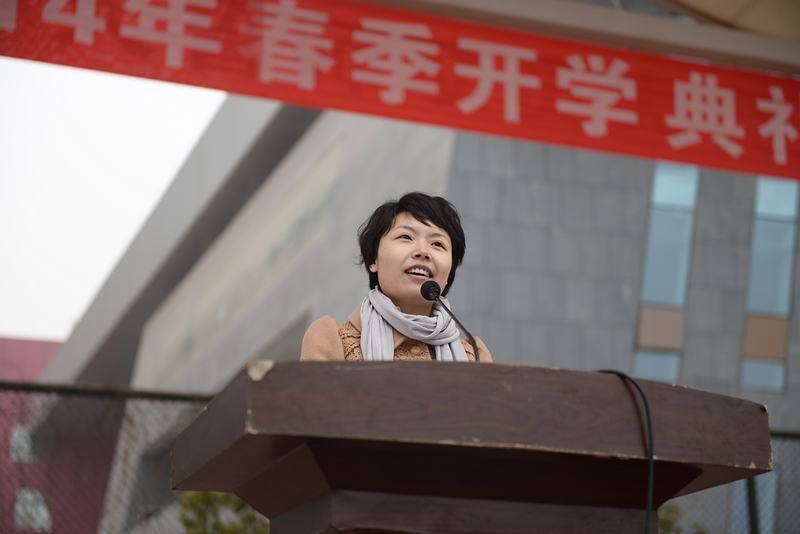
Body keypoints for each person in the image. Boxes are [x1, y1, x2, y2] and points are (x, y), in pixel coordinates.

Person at [300, 192, 492, 362]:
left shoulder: (474, 357)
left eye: (437, 244)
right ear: (373, 259)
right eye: (406, 237)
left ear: (449, 272)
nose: (423, 252)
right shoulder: (333, 341)